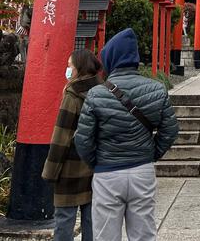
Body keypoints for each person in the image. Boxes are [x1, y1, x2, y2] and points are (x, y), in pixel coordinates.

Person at [75, 28, 179, 241]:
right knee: (143, 234)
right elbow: (170, 130)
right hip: (142, 170)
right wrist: (150, 153)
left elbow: (82, 138)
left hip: (107, 173)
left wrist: (97, 162)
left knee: (105, 235)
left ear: (111, 59)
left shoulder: (97, 94)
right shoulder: (157, 90)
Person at [42, 49, 101, 241]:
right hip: (95, 164)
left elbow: (62, 135)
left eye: (69, 66)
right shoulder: (103, 91)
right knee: (91, 219)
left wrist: (50, 171)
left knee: (65, 218)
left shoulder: (72, 95)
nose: (67, 70)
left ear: (78, 69)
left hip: (70, 166)